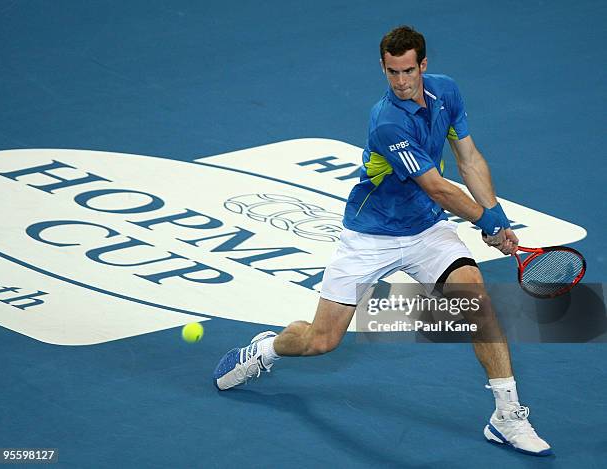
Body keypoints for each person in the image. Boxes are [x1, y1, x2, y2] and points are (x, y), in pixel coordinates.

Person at [213, 25, 551, 456]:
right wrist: (486, 221)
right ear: (383, 68)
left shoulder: (447, 92)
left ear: (423, 65)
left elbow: (468, 157)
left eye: (409, 71)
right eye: (392, 72)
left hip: (426, 230)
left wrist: (496, 215)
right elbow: (438, 188)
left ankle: (506, 415)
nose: (401, 81)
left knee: (475, 301)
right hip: (370, 236)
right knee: (321, 341)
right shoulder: (387, 121)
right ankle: (265, 351)